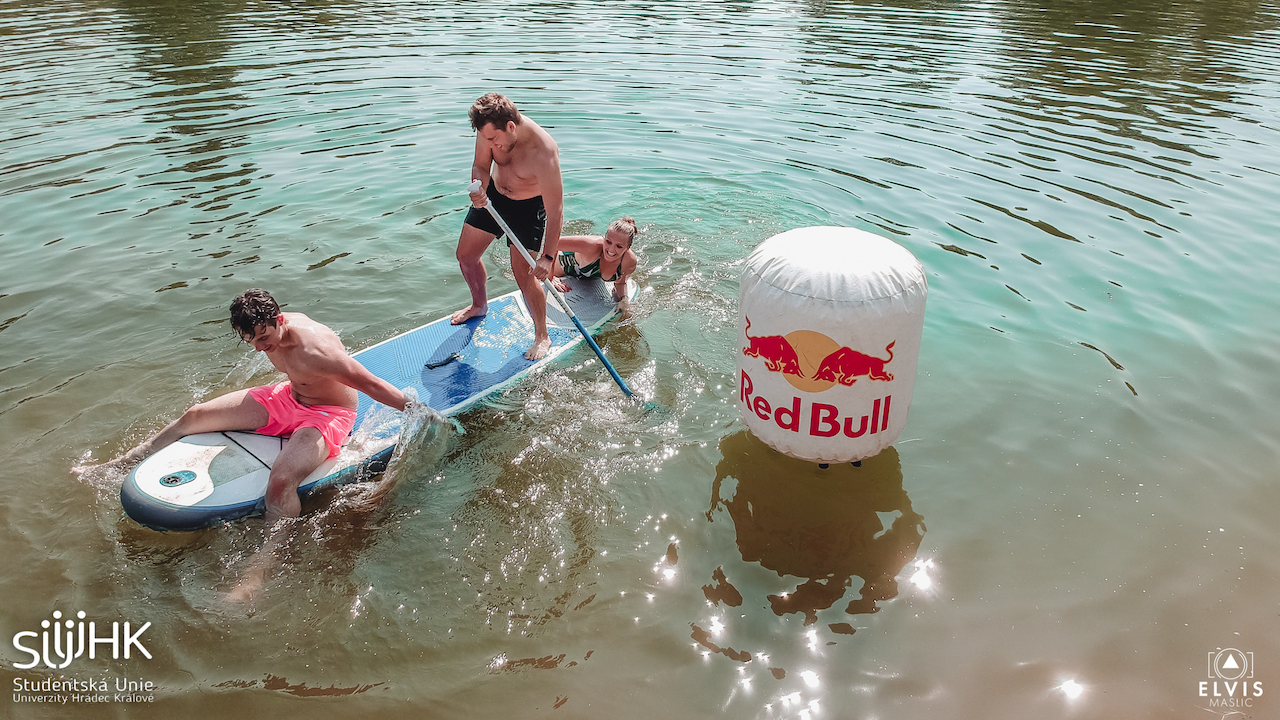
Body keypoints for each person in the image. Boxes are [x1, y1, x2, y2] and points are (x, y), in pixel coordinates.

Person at [74, 288, 413, 523]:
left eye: (264, 339)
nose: (259, 349)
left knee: (280, 482)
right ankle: (116, 466)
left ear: (280, 320)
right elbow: (265, 348)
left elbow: (370, 384)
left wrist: (416, 411)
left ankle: (261, 567)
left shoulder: (317, 351)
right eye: (251, 341)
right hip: (288, 397)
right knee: (194, 416)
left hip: (328, 414)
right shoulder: (263, 332)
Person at [450, 92, 564, 360]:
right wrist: (479, 186)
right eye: (486, 138)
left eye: (493, 139)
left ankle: (542, 335)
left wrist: (549, 257)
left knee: (524, 274)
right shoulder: (489, 128)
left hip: (528, 207)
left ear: (511, 127)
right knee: (465, 256)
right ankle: (479, 305)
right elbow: (480, 165)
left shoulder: (543, 152)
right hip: (494, 197)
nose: (491, 144)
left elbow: (556, 210)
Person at [550, 216, 639, 304]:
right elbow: (552, 244)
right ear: (605, 237)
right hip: (562, 269)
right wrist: (550, 275)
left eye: (619, 246)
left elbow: (620, 283)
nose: (611, 250)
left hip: (586, 280)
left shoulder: (629, 261)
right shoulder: (592, 246)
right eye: (608, 241)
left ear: (628, 247)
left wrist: (624, 300)